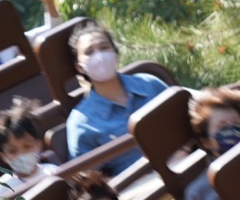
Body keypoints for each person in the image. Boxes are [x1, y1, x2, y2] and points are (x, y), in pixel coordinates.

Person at [63, 24, 169, 172]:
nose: (99, 56)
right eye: (89, 52)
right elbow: (88, 178)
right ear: (80, 67)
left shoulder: (149, 84)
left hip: (183, 162)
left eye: (104, 47)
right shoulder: (80, 123)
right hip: (139, 188)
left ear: (115, 53)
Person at [181, 87, 240, 200]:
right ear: (206, 141)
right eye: (223, 127)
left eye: (236, 123)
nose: (232, 130)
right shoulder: (197, 193)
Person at [0, 99, 50, 200]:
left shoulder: (52, 172)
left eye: (27, 146)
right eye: (13, 151)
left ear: (39, 145)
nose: (21, 154)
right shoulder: (1, 189)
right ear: (3, 156)